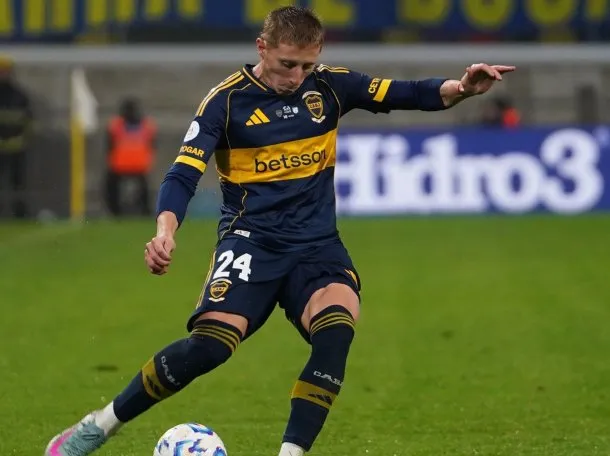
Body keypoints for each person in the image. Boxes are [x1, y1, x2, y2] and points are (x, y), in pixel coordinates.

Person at [45, 6, 515, 456]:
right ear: (262, 48)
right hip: (251, 243)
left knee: (335, 335)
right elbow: (183, 173)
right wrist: (166, 230)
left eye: (307, 65)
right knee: (209, 349)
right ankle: (101, 424)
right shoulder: (225, 102)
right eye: (288, 64)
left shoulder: (330, 86)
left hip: (317, 247)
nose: (296, 76)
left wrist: (462, 88)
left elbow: (406, 93)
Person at [105, 97, 157, 216]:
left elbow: (109, 146)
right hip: (139, 164)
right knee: (144, 189)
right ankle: (145, 211)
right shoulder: (147, 125)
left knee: (111, 186)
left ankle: (115, 211)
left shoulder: (115, 125)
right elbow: (153, 145)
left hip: (120, 165)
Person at [0, 55, 33, 219]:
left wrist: (21, 141)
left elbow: (28, 122)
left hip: (16, 148)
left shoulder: (19, 96)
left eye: (5, 70)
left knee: (18, 183)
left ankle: (20, 214)